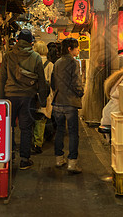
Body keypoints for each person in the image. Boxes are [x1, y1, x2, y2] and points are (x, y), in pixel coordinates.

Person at [0, 29, 48, 170]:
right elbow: (42, 81)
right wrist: (42, 100)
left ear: (18, 40)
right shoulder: (36, 57)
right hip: (28, 97)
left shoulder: (8, 56)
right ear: (31, 42)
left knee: (9, 127)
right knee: (26, 129)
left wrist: (0, 100)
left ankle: (10, 155)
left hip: (10, 96)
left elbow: (2, 79)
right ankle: (24, 159)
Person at [51, 37, 84, 173]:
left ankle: (59, 159)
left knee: (59, 131)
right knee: (73, 133)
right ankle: (72, 163)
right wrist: (81, 92)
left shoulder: (57, 62)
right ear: (70, 49)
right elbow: (76, 82)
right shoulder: (74, 62)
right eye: (76, 47)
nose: (78, 50)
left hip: (58, 101)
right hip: (70, 102)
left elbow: (52, 82)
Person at [31, 40, 53, 154]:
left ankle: (33, 141)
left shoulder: (32, 62)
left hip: (32, 94)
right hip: (45, 95)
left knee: (32, 118)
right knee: (41, 120)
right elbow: (52, 83)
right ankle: (38, 143)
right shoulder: (50, 64)